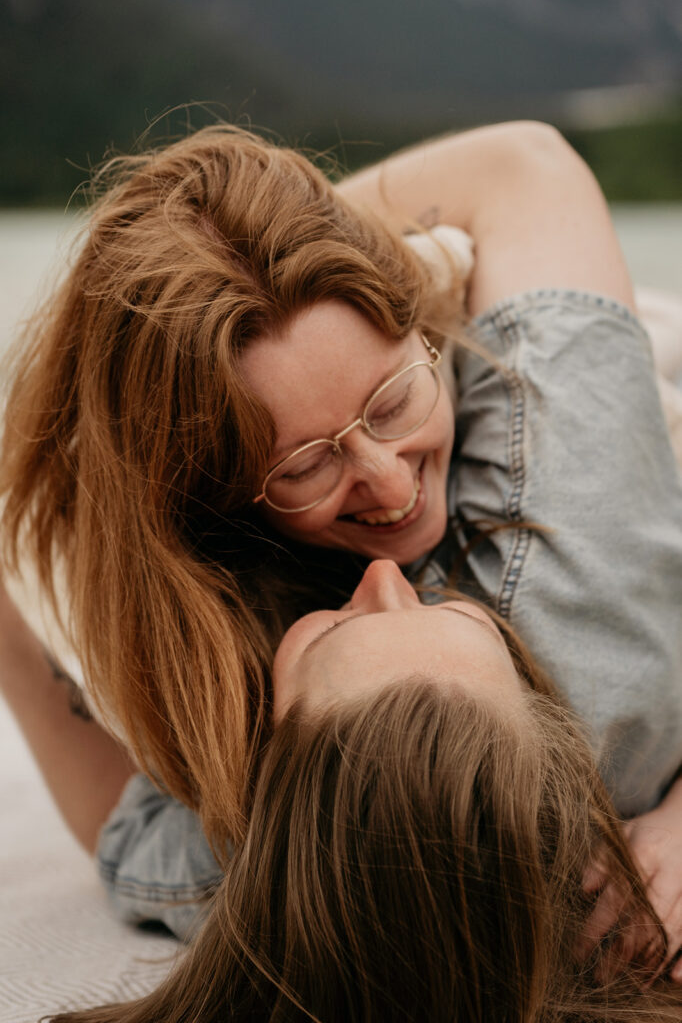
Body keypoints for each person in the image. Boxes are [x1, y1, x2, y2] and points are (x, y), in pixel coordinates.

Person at [3, 120, 682, 941]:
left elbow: (126, 829)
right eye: (304, 467)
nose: (393, 486)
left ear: (422, 329)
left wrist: (207, 266)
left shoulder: (285, 852)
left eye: (393, 401)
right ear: (218, 509)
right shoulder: (573, 585)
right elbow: (523, 168)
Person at [46, 559, 682, 1022]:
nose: (385, 573)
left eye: (328, 630)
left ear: (266, 780)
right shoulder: (639, 895)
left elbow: (116, 820)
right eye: (458, 613)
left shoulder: (220, 867)